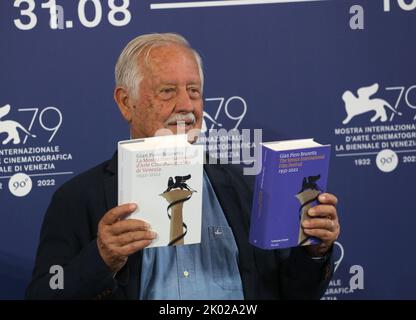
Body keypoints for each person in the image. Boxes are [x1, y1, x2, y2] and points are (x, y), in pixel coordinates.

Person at [26, 33, 340, 300]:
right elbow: (45, 292)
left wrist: (315, 250)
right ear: (125, 102)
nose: (186, 105)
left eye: (193, 91)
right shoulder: (78, 198)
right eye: (167, 91)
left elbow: (293, 291)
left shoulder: (244, 185)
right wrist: (101, 258)